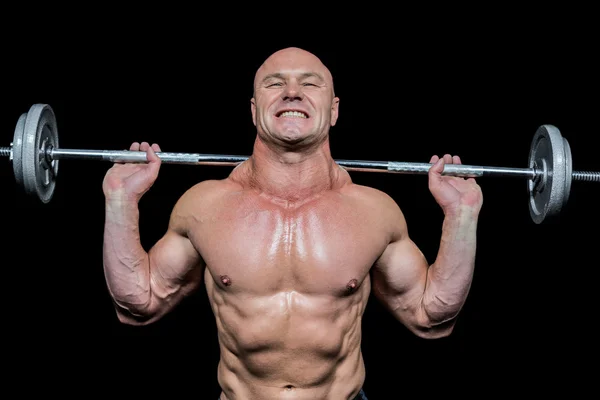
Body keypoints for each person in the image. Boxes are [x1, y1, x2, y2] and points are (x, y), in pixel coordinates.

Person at [101, 47, 483, 400]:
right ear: (254, 110)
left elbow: (431, 318)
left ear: (333, 110)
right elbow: (138, 304)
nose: (292, 92)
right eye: (275, 83)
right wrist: (121, 200)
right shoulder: (205, 205)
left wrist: (461, 215)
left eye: (310, 83)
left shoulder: (374, 211)